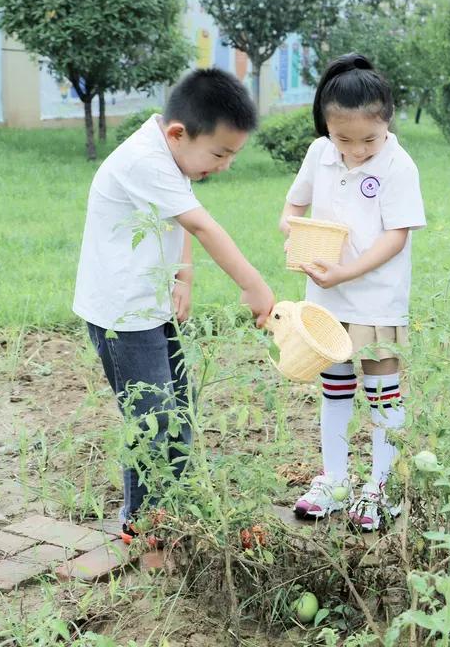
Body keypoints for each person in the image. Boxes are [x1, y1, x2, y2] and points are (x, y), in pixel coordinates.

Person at [74, 68, 274, 544]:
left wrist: (182, 275)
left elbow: (175, 213)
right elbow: (201, 224)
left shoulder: (170, 153)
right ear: (179, 133)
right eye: (220, 153)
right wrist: (253, 287)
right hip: (123, 315)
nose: (224, 165)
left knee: (179, 409)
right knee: (151, 419)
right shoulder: (145, 160)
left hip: (151, 305)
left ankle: (176, 506)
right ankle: (142, 526)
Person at [280, 55, 425, 530]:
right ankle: (335, 479)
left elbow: (396, 236)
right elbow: (295, 201)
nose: (357, 149)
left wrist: (345, 272)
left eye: (370, 139)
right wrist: (291, 226)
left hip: (376, 298)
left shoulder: (398, 164)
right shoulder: (318, 153)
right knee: (335, 388)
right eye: (344, 138)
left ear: (387, 122)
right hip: (326, 299)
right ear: (326, 125)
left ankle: (382, 486)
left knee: (383, 392)